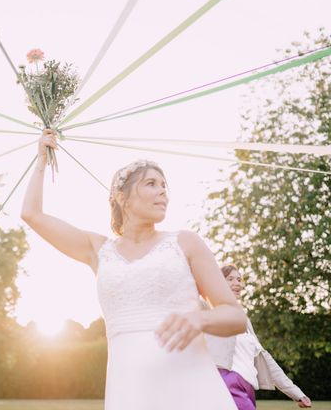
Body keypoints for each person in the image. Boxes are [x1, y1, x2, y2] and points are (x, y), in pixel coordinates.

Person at [20, 130, 247, 409]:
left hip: (191, 386)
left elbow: (235, 315)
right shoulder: (97, 250)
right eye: (151, 183)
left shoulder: (185, 242)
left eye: (164, 185)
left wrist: (200, 320)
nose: (163, 190)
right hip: (129, 391)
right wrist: (42, 158)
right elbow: (31, 214)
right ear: (121, 197)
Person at [205, 265, 312, 409]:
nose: (237, 283)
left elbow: (265, 359)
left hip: (247, 386)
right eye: (230, 279)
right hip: (227, 383)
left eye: (239, 279)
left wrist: (297, 393)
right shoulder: (210, 313)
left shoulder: (244, 321)